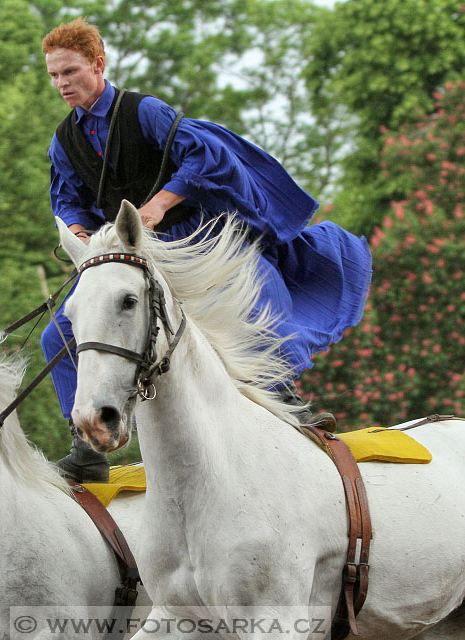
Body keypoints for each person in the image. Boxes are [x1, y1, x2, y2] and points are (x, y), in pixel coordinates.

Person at [40, 18, 372, 483]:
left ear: (98, 65)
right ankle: (87, 446)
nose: (61, 84)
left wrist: (159, 203)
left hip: (189, 234)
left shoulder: (144, 111)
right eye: (53, 75)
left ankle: (283, 394)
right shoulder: (63, 139)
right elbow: (67, 197)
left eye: (69, 72)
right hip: (125, 252)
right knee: (55, 336)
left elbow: (203, 157)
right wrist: (76, 230)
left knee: (255, 288)